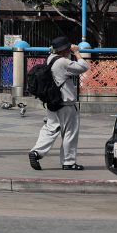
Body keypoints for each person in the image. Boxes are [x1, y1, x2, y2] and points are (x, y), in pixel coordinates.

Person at [29, 37, 89, 171]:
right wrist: (77, 52)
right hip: (66, 103)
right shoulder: (62, 62)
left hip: (52, 101)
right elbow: (84, 67)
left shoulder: (50, 58)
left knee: (50, 129)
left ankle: (36, 152)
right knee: (69, 133)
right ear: (65, 50)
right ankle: (69, 162)